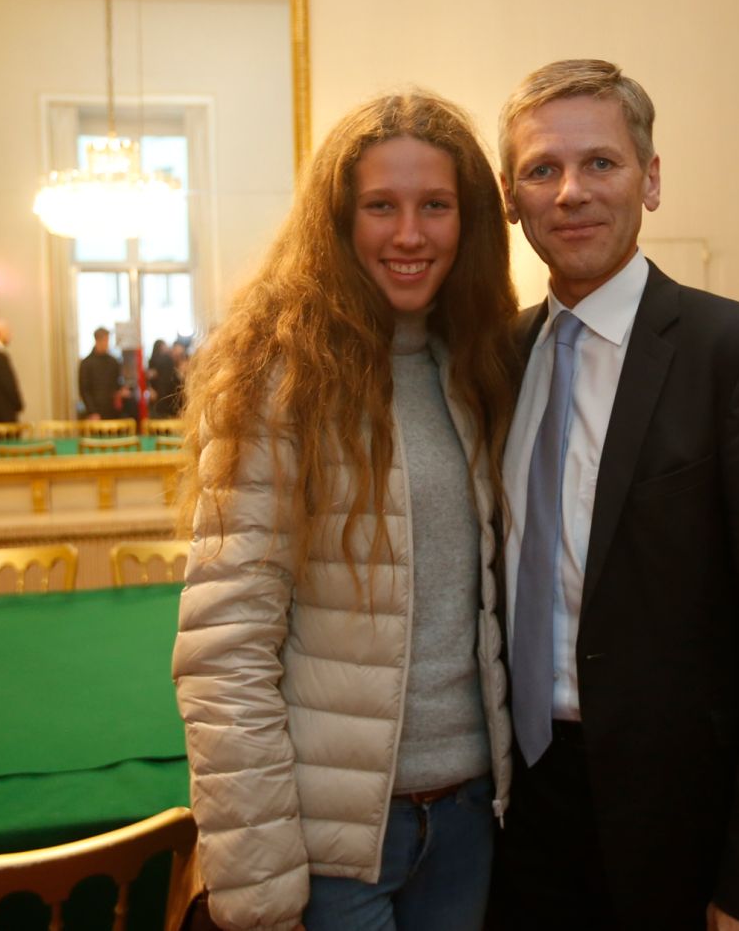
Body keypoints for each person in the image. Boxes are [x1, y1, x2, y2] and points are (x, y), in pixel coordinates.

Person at [490, 59, 739, 931]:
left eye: (600, 163)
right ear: (509, 196)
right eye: (542, 169)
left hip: (677, 823)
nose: (571, 192)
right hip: (513, 810)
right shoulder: (491, 362)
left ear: (650, 180)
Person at [171, 92, 520, 931]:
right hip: (335, 846)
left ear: (468, 221)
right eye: (380, 207)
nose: (410, 234)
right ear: (338, 219)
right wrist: (259, 892)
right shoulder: (278, 378)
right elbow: (227, 653)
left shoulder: (480, 363)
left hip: (471, 820)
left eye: (434, 206)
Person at [78, 327, 129, 420]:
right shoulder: (86, 363)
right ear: (97, 340)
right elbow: (85, 390)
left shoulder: (113, 361)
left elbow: (117, 383)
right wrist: (92, 411)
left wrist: (121, 391)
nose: (107, 344)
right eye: (105, 340)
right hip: (95, 411)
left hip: (112, 410)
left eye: (107, 340)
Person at [147, 338, 185, 419]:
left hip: (173, 406)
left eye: (181, 355)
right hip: (166, 405)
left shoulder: (184, 366)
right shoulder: (165, 362)